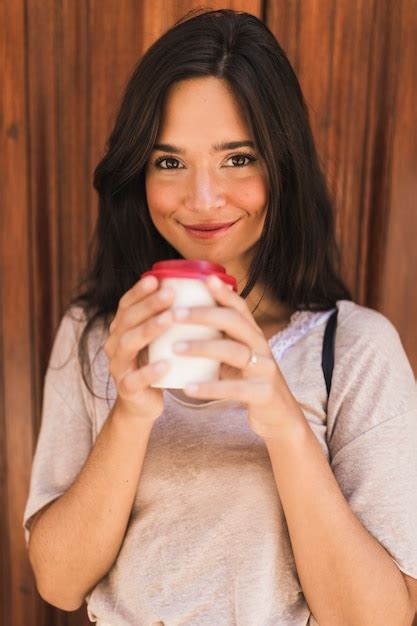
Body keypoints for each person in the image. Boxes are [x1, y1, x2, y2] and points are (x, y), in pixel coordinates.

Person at [23, 8, 417, 626]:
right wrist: (131, 411)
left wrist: (283, 419)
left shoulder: (357, 349)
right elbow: (59, 583)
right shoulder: (97, 333)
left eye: (237, 158)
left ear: (282, 166)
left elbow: (381, 618)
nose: (202, 200)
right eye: (170, 161)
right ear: (139, 172)